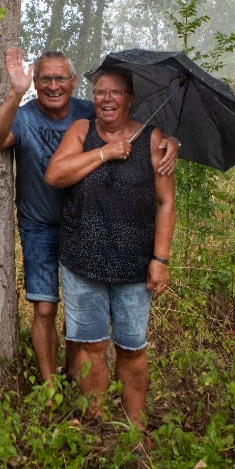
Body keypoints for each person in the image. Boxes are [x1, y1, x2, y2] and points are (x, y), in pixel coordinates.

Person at [0, 47, 176, 383]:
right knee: (45, 307)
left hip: (90, 226)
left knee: (81, 314)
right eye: (45, 79)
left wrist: (170, 142)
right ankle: (49, 385)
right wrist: (16, 92)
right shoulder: (26, 116)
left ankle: (76, 376)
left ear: (73, 83)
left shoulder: (88, 112)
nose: (53, 85)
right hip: (40, 223)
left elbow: (128, 126)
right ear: (36, 83)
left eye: (61, 78)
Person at [44, 65, 176, 429]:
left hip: (134, 265)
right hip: (81, 261)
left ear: (130, 99)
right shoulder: (82, 131)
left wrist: (160, 259)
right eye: (100, 92)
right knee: (91, 346)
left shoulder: (153, 140)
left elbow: (166, 203)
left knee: (132, 347)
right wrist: (104, 154)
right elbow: (55, 175)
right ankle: (97, 425)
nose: (106, 98)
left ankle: (136, 427)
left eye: (115, 92)